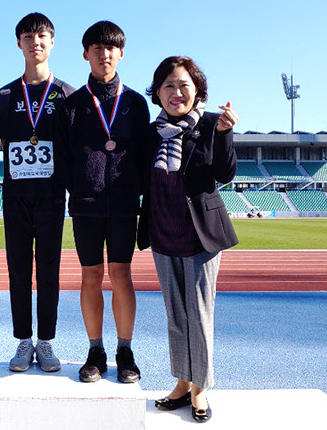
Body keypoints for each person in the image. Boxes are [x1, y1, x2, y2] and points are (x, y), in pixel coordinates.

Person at [137, 56, 239, 423]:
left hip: (200, 235)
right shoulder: (151, 134)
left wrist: (226, 134)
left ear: (196, 90)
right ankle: (181, 381)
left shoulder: (212, 124)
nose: (176, 93)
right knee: (176, 315)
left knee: (199, 314)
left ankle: (201, 388)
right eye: (168, 86)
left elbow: (224, 173)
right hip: (162, 231)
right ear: (158, 92)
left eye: (183, 85)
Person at [57, 21, 150, 383]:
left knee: (123, 275)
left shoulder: (136, 104)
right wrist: (80, 188)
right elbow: (63, 157)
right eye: (97, 47)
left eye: (111, 48)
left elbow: (144, 153)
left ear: (121, 53)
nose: (104, 53)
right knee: (91, 276)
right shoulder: (74, 105)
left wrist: (134, 190)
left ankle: (125, 349)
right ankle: (95, 349)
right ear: (86, 54)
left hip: (125, 204)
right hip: (86, 204)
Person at [0, 13, 75, 373]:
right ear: (19, 44)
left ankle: (45, 342)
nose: (35, 42)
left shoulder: (68, 95)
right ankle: (23, 342)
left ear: (52, 42)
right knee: (17, 268)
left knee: (49, 268)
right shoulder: (5, 95)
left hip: (51, 194)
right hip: (15, 195)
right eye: (28, 36)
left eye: (42, 36)